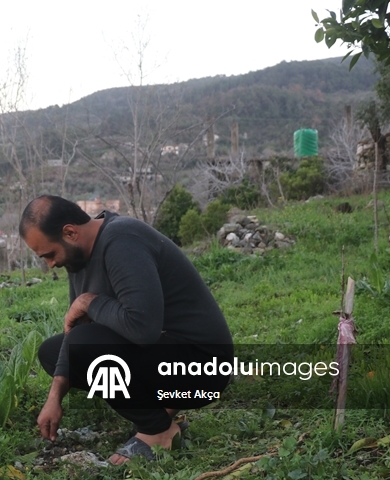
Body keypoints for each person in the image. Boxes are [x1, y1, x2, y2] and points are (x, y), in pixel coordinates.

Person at [19, 195, 233, 464]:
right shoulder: (78, 258)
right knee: (52, 352)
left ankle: (158, 431)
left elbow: (143, 328)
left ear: (70, 232)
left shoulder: (123, 240)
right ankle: (160, 408)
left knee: (85, 344)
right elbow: (79, 333)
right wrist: (54, 397)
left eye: (49, 254)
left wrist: (90, 302)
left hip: (204, 373)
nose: (50, 264)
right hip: (170, 363)